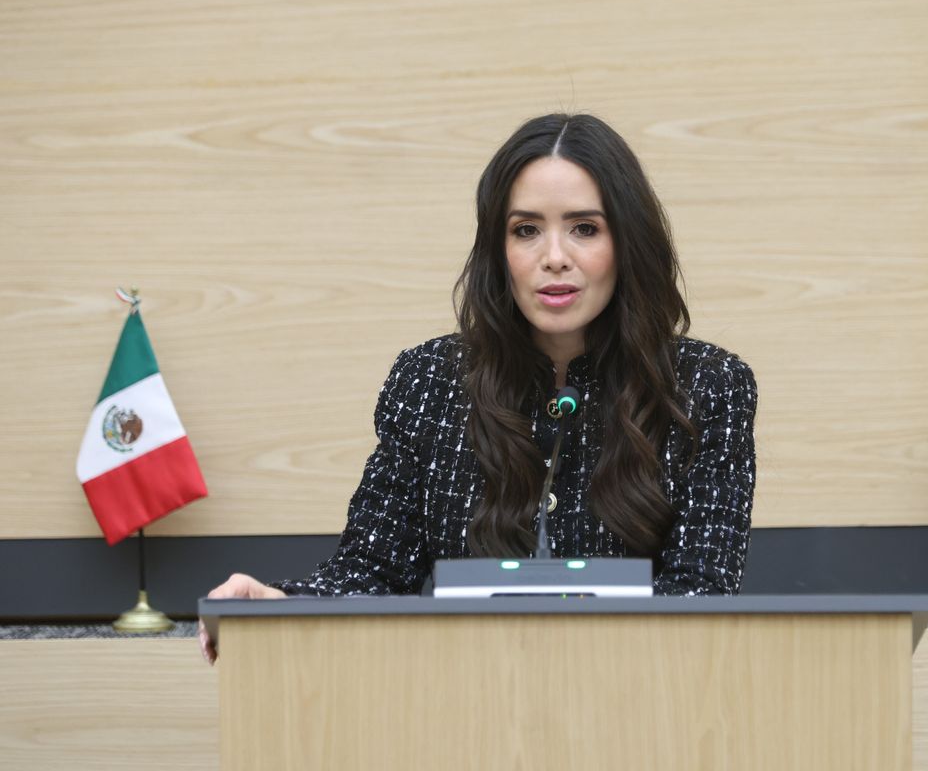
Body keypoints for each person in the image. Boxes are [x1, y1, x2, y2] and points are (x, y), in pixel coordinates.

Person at [200, 113, 757, 663]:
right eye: (526, 230)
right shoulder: (431, 380)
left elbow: (701, 596)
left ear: (627, 241)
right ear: (498, 249)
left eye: (585, 228)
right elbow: (371, 573)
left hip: (639, 691)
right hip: (467, 691)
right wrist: (277, 605)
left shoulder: (707, 387)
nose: (554, 258)